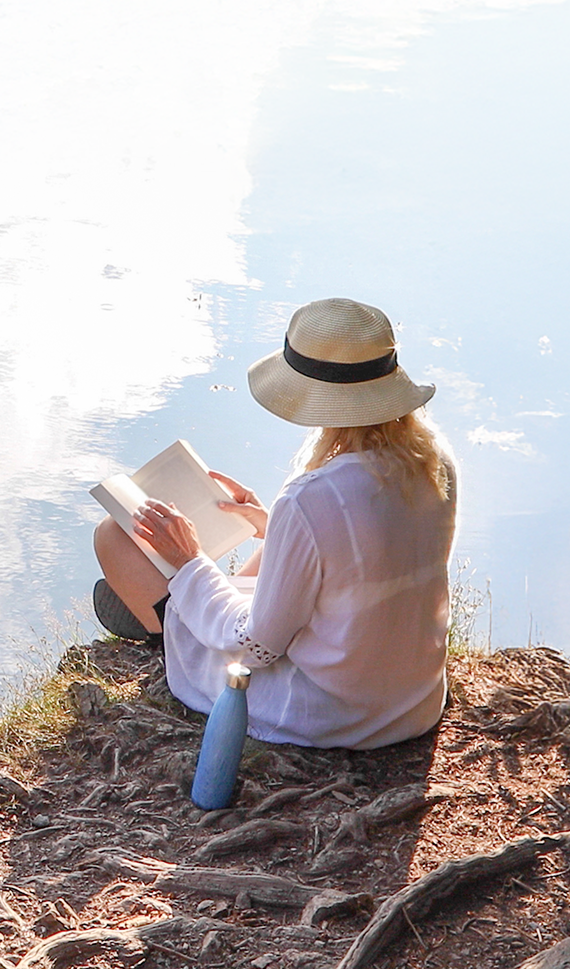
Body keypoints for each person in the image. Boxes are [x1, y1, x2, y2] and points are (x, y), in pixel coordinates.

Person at [93, 297, 457, 749]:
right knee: (262, 557)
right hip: (410, 700)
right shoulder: (433, 461)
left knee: (113, 534)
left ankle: (164, 627)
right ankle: (167, 611)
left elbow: (255, 647)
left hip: (332, 712)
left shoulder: (312, 498)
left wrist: (188, 561)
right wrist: (272, 525)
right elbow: (376, 558)